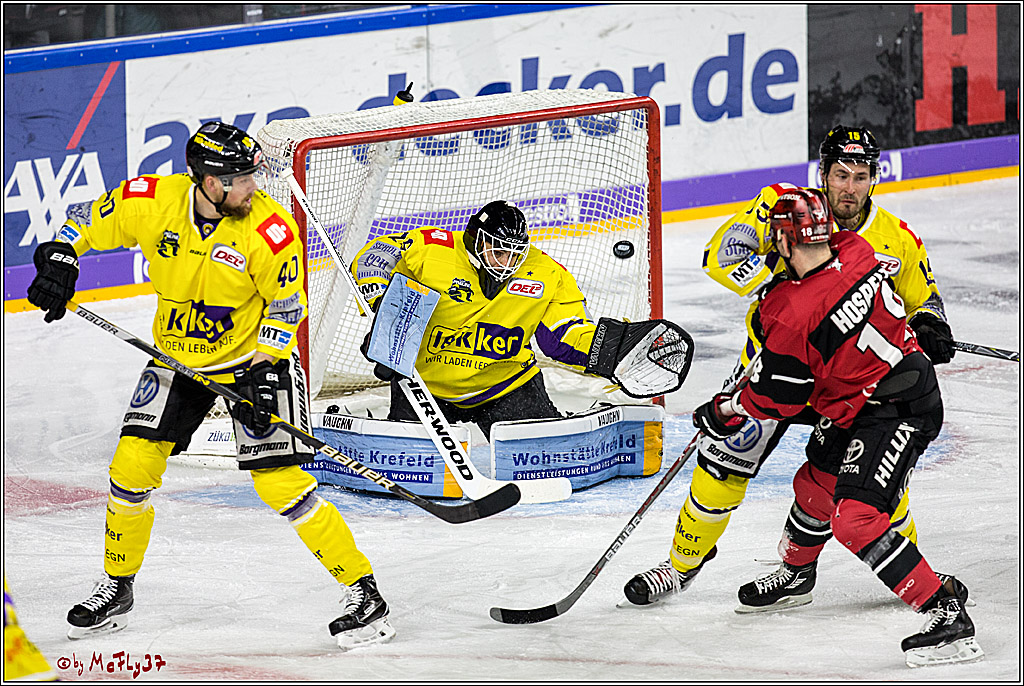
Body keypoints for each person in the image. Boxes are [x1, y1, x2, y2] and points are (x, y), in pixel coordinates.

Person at [26, 121, 393, 651]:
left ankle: (365, 594)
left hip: (255, 360)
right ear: (206, 179)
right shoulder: (153, 200)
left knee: (280, 483)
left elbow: (288, 307)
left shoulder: (269, 229)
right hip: (175, 360)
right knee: (131, 466)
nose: (252, 186)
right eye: (240, 178)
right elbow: (85, 218)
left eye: (253, 174)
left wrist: (266, 374)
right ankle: (116, 587)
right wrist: (62, 255)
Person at [624, 125, 957, 608]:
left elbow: (924, 297)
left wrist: (930, 323)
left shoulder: (895, 239)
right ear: (822, 172)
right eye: (840, 174)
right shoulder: (782, 205)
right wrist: (787, 277)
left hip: (848, 388)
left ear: (873, 179)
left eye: (860, 176)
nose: (849, 187)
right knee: (721, 467)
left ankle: (908, 566)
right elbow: (719, 254)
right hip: (773, 370)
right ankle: (679, 567)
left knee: (873, 480)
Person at [689, 189, 981, 666]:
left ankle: (944, 610)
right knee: (813, 486)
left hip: (898, 405)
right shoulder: (857, 249)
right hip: (856, 398)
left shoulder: (790, 310)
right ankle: (797, 575)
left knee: (855, 520)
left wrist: (723, 411)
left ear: (784, 243)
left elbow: (777, 399)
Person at [352, 200, 633, 439]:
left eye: (515, 254)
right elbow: (375, 255)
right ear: (476, 238)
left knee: (543, 459)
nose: (507, 262)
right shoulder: (432, 248)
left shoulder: (546, 272)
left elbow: (563, 336)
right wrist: (385, 318)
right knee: (411, 465)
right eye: (499, 252)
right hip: (424, 387)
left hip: (505, 386)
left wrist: (614, 350)